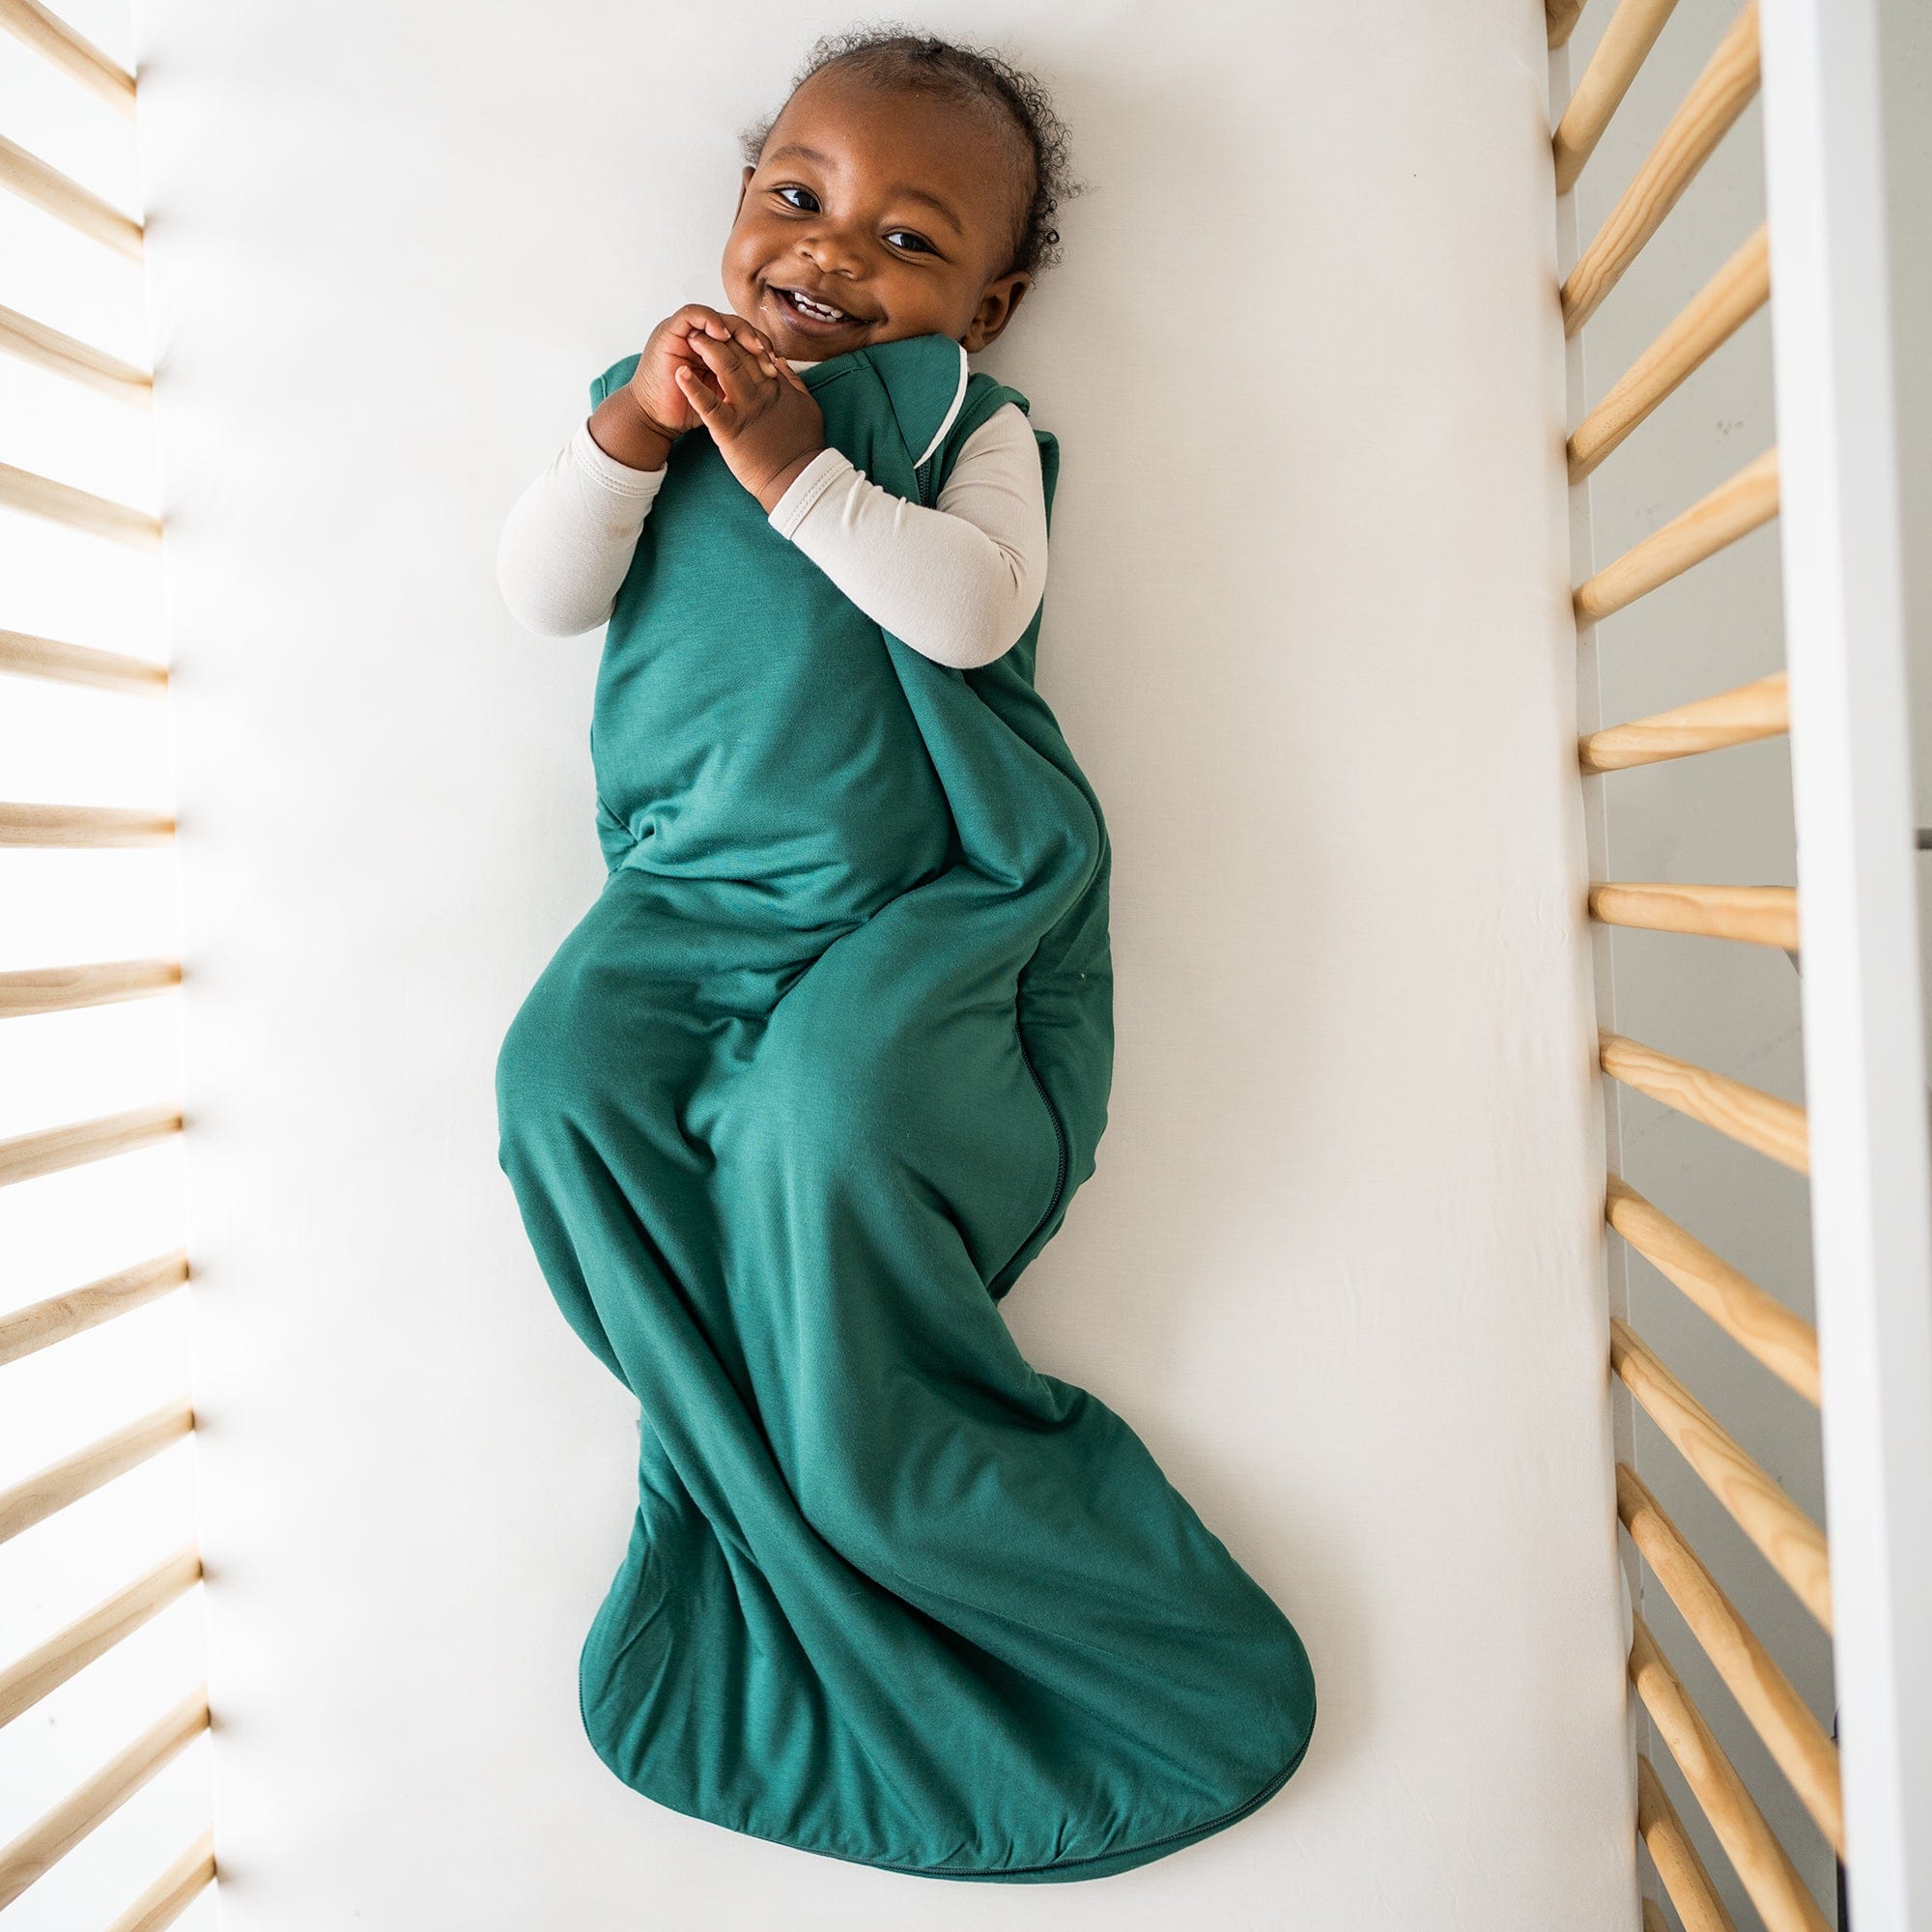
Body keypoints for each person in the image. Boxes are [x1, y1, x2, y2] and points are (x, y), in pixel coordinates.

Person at [493, 26, 1316, 1883]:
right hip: (693, 897)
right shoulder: (648, 393)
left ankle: (891, 1473)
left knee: (830, 1124)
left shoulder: (968, 424)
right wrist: (628, 436)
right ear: (738, 209)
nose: (832, 253)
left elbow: (968, 616)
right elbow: (544, 592)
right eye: (796, 197)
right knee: (553, 1087)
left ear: (990, 303)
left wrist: (796, 472)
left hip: (934, 896)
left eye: (907, 240)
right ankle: (744, 1467)